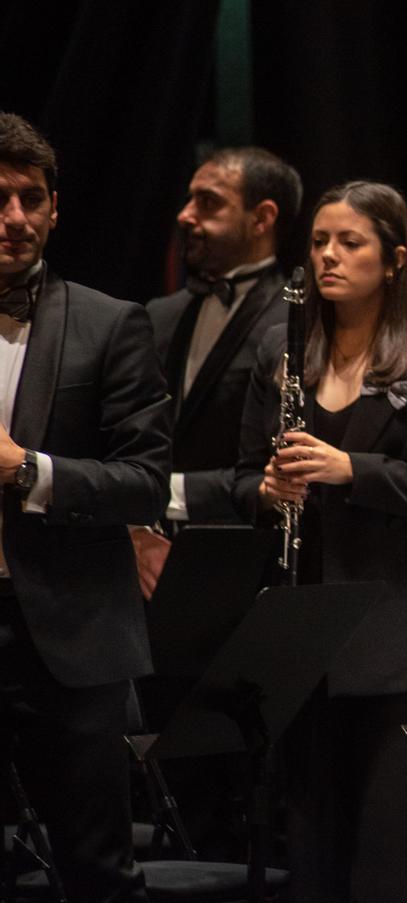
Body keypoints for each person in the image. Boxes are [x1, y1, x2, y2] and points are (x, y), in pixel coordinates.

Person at [234, 180, 407, 902]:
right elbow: (240, 478)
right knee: (314, 861)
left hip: (403, 641)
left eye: (350, 242)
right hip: (306, 636)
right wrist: (264, 491)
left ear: (394, 258)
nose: (328, 257)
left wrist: (353, 469)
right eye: (318, 242)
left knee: (389, 863)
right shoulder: (278, 349)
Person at [0, 112, 171, 903]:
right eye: (0, 199)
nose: (17, 218)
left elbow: (143, 478)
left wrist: (30, 471)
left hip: (71, 635)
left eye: (32, 198)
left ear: (56, 207)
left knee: (97, 869)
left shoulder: (109, 323)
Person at [135, 149, 302, 578]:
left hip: (245, 554)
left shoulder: (297, 322)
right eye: (189, 200)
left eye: (208, 203)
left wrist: (160, 492)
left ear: (262, 218)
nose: (186, 216)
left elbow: (279, 467)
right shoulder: (160, 314)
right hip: (140, 551)